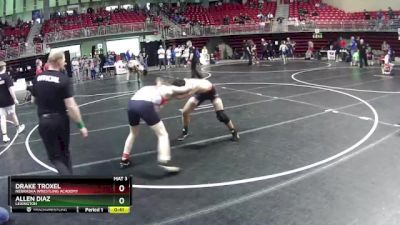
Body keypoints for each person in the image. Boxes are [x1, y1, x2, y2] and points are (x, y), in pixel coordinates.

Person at [32, 52, 88, 175]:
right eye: (63, 60)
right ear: (58, 62)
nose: (65, 63)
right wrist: (81, 125)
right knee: (65, 153)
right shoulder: (63, 79)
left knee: (55, 158)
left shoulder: (38, 78)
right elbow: (71, 106)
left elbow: (34, 100)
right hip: (61, 121)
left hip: (45, 121)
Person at [120, 78, 193, 173]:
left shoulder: (158, 89)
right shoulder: (171, 89)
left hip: (131, 104)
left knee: (133, 133)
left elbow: (157, 107)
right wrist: (192, 83)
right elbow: (186, 89)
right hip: (144, 105)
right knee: (163, 134)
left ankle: (124, 159)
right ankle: (164, 160)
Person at [172, 78, 240, 142]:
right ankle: (185, 132)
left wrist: (171, 96)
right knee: (185, 112)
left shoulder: (193, 87)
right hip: (200, 93)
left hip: (211, 92)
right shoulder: (183, 82)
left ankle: (234, 132)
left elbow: (182, 97)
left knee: (221, 115)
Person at [0, 61, 25, 143]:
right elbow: (10, 89)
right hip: (8, 100)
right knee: (13, 114)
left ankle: (5, 136)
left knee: (2, 118)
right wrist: (15, 99)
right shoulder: (6, 77)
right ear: (4, 67)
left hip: (0, 102)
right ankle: (18, 128)